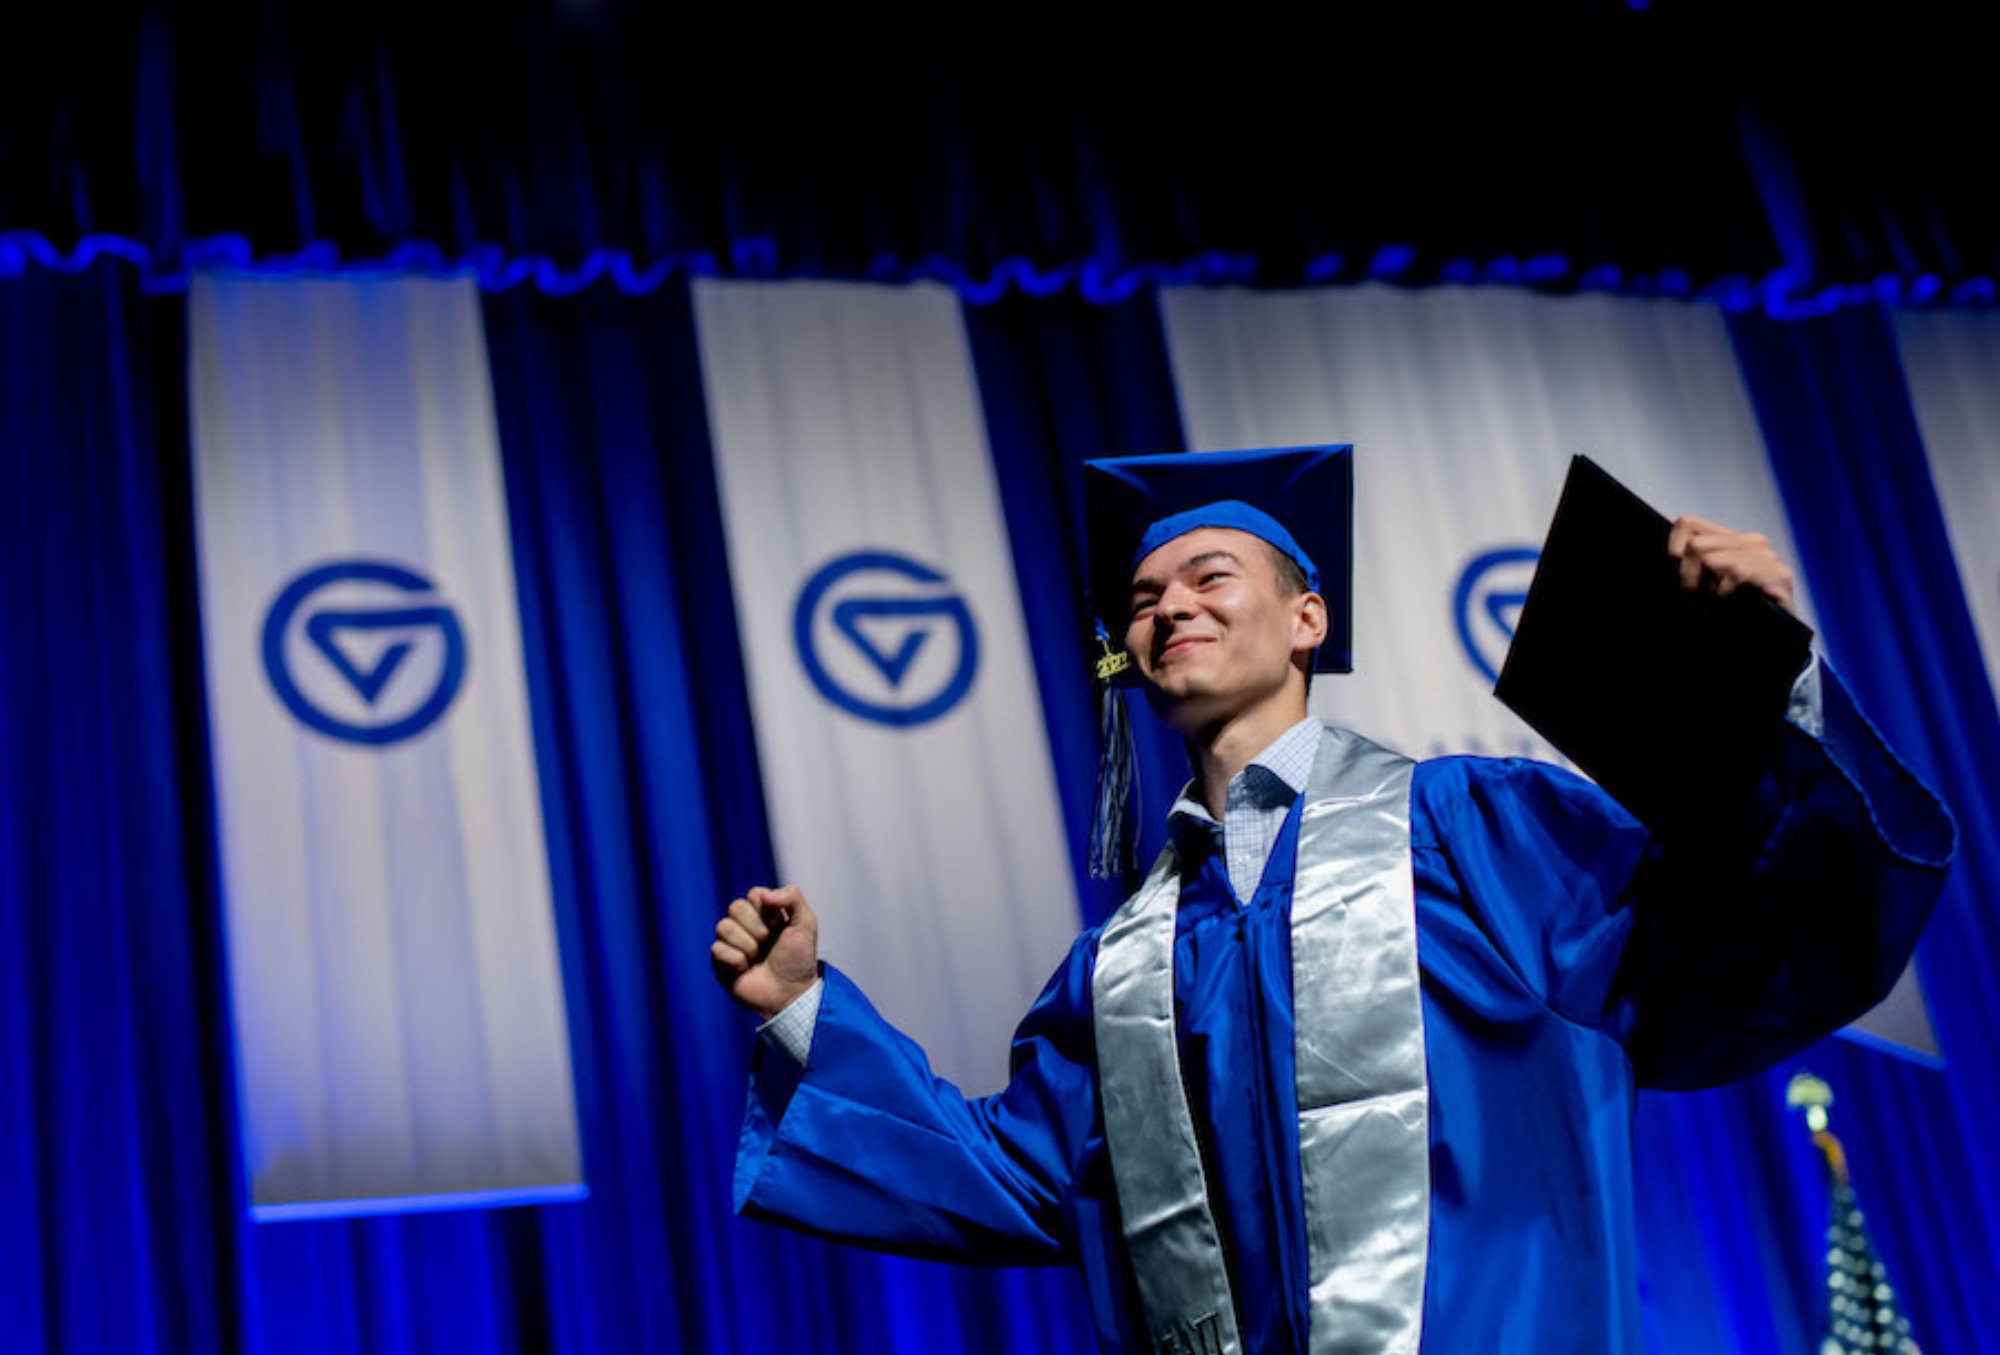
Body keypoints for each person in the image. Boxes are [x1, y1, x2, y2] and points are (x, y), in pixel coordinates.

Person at [710, 446, 1955, 1355]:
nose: (1168, 607)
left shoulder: (1470, 828)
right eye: (1143, 601)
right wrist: (803, 1009)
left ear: (1308, 617)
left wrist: (1758, 679)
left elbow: (1726, 938)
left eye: (1207, 575)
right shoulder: (1126, 960)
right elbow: (1010, 1172)